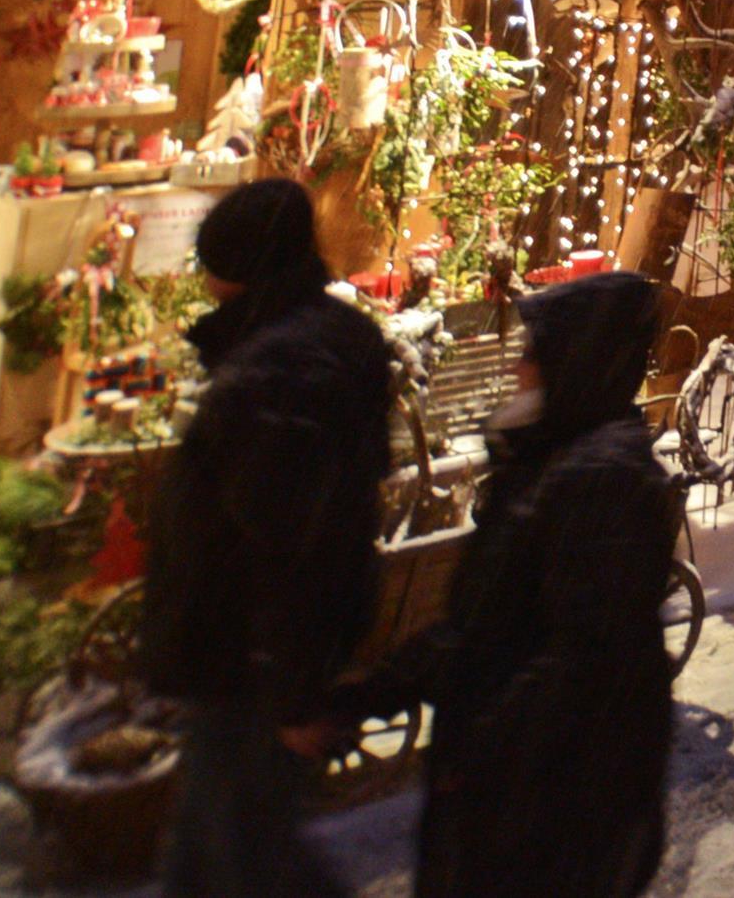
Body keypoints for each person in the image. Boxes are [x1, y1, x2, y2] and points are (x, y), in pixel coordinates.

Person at [347, 272, 681, 898]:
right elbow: (483, 629)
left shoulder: (603, 483)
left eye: (535, 353)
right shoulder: (549, 461)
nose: (521, 369)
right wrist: (370, 694)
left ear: (573, 362)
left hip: (547, 828)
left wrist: (480, 754)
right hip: (513, 816)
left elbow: (578, 672)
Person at [136, 179, 391, 898]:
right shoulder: (301, 341)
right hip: (241, 654)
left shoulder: (284, 367)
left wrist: (292, 690)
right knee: (220, 847)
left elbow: (291, 543)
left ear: (239, 265)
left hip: (246, 659)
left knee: (246, 853)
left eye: (211, 258)